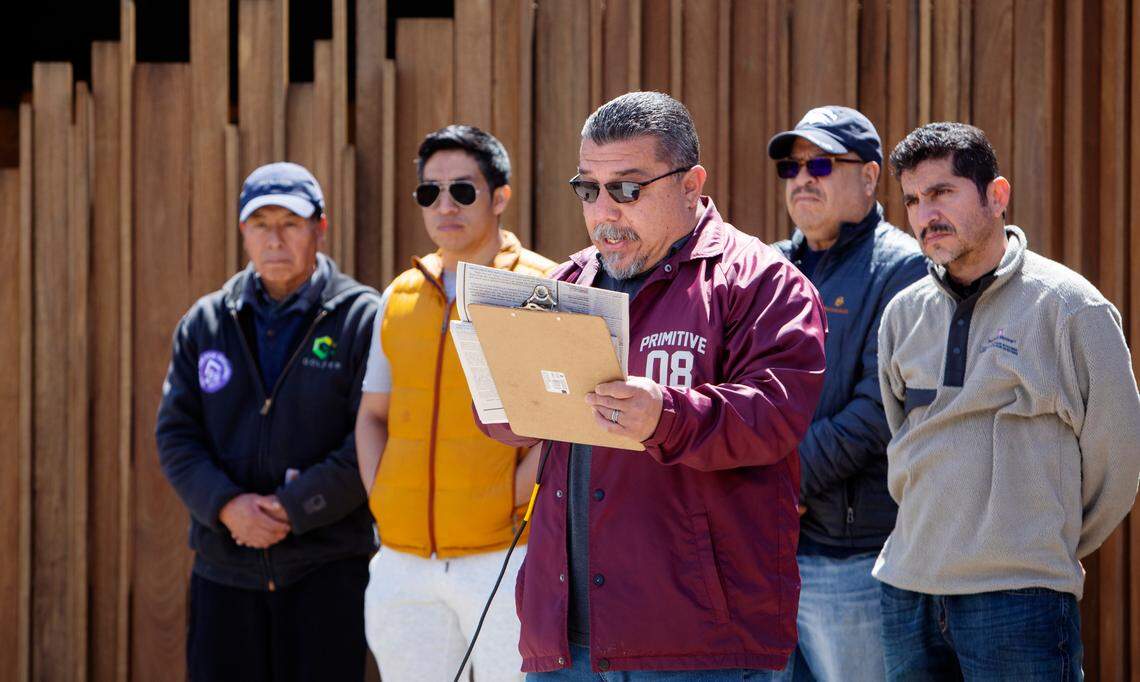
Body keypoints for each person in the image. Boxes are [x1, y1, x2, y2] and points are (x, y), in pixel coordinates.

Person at [477, 91, 828, 678]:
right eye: (589, 189)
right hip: (563, 640)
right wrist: (504, 399)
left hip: (698, 642)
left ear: (691, 185)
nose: (604, 211)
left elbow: (774, 418)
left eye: (629, 189)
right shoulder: (564, 283)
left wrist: (664, 416)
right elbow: (497, 417)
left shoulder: (762, 281)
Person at [876, 121, 1140, 680]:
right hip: (907, 591)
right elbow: (899, 438)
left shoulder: (1071, 308)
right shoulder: (902, 314)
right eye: (913, 200)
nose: (925, 214)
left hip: (1019, 598)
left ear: (997, 196)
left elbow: (1118, 462)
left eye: (942, 192)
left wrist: (1036, 544)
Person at [156, 162, 378, 681]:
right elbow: (176, 434)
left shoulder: (362, 318)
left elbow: (371, 436)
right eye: (261, 224)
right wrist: (228, 506)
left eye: (290, 223)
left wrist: (294, 508)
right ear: (242, 232)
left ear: (320, 228)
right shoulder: (206, 321)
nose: (274, 239)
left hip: (328, 567)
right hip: (223, 568)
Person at [355, 124, 556, 681]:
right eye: (430, 192)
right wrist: (383, 497)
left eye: (462, 190)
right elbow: (374, 414)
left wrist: (513, 496)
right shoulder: (398, 297)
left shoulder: (542, 289)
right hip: (402, 560)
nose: (445, 205)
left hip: (502, 554)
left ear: (499, 197)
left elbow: (563, 423)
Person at [768, 106, 926, 682]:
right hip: (770, 553)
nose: (803, 177)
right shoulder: (771, 269)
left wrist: (783, 478)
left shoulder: (903, 269)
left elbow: (879, 410)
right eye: (792, 166)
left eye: (822, 163)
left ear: (869, 177)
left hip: (853, 557)